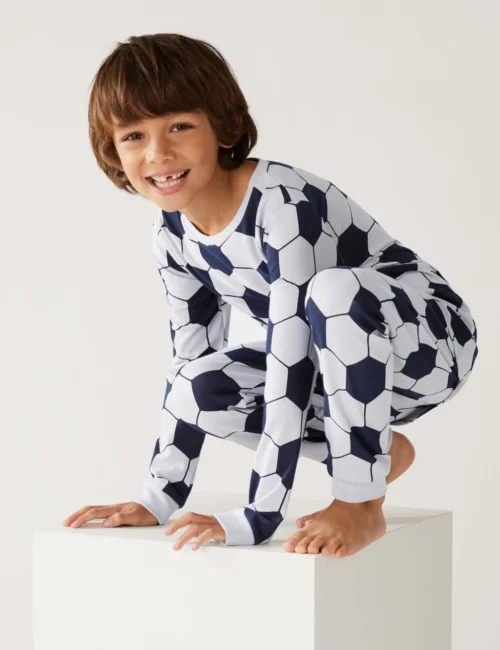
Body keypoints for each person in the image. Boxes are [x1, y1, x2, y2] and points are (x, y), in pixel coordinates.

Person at [63, 33, 478, 558]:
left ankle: (360, 500)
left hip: (429, 344)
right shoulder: (171, 231)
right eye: (133, 136)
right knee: (197, 386)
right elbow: (191, 355)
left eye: (179, 126)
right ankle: (377, 453)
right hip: (338, 370)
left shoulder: (283, 203)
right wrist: (160, 497)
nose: (158, 153)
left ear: (224, 126)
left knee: (333, 292)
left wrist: (259, 515)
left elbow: (289, 359)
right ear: (113, 151)